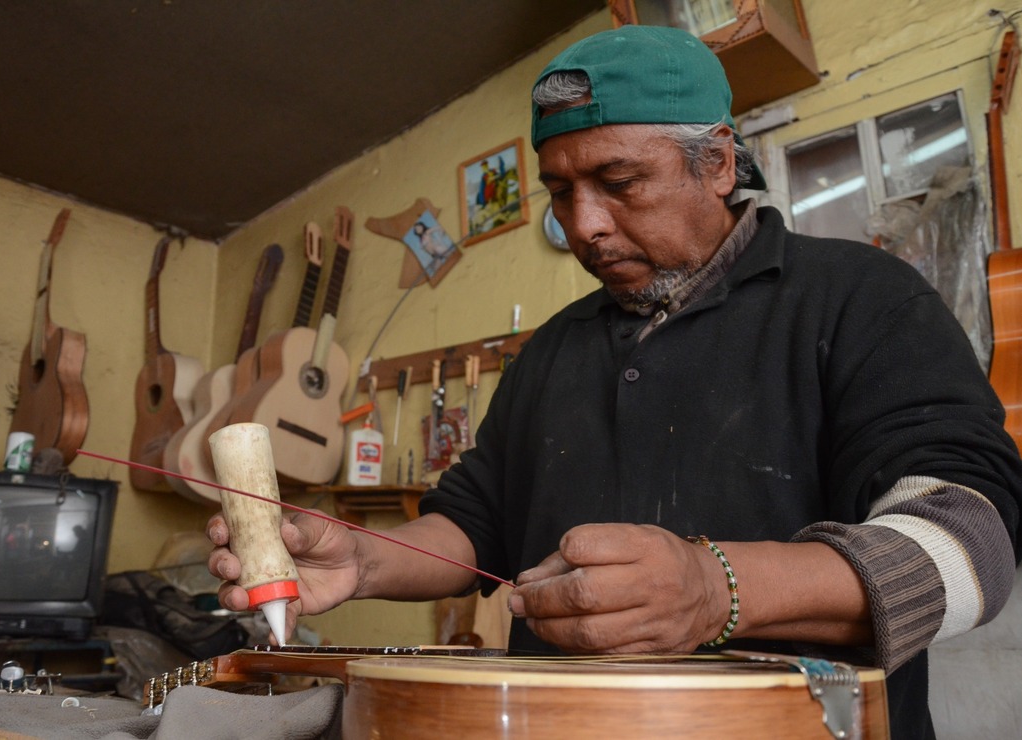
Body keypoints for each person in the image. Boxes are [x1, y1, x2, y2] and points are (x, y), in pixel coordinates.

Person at [208, 25, 1022, 738]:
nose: (583, 226)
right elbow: (472, 527)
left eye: (619, 182)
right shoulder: (551, 351)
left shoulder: (861, 298)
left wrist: (716, 589)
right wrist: (361, 558)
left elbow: (971, 544)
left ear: (718, 163)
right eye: (560, 192)